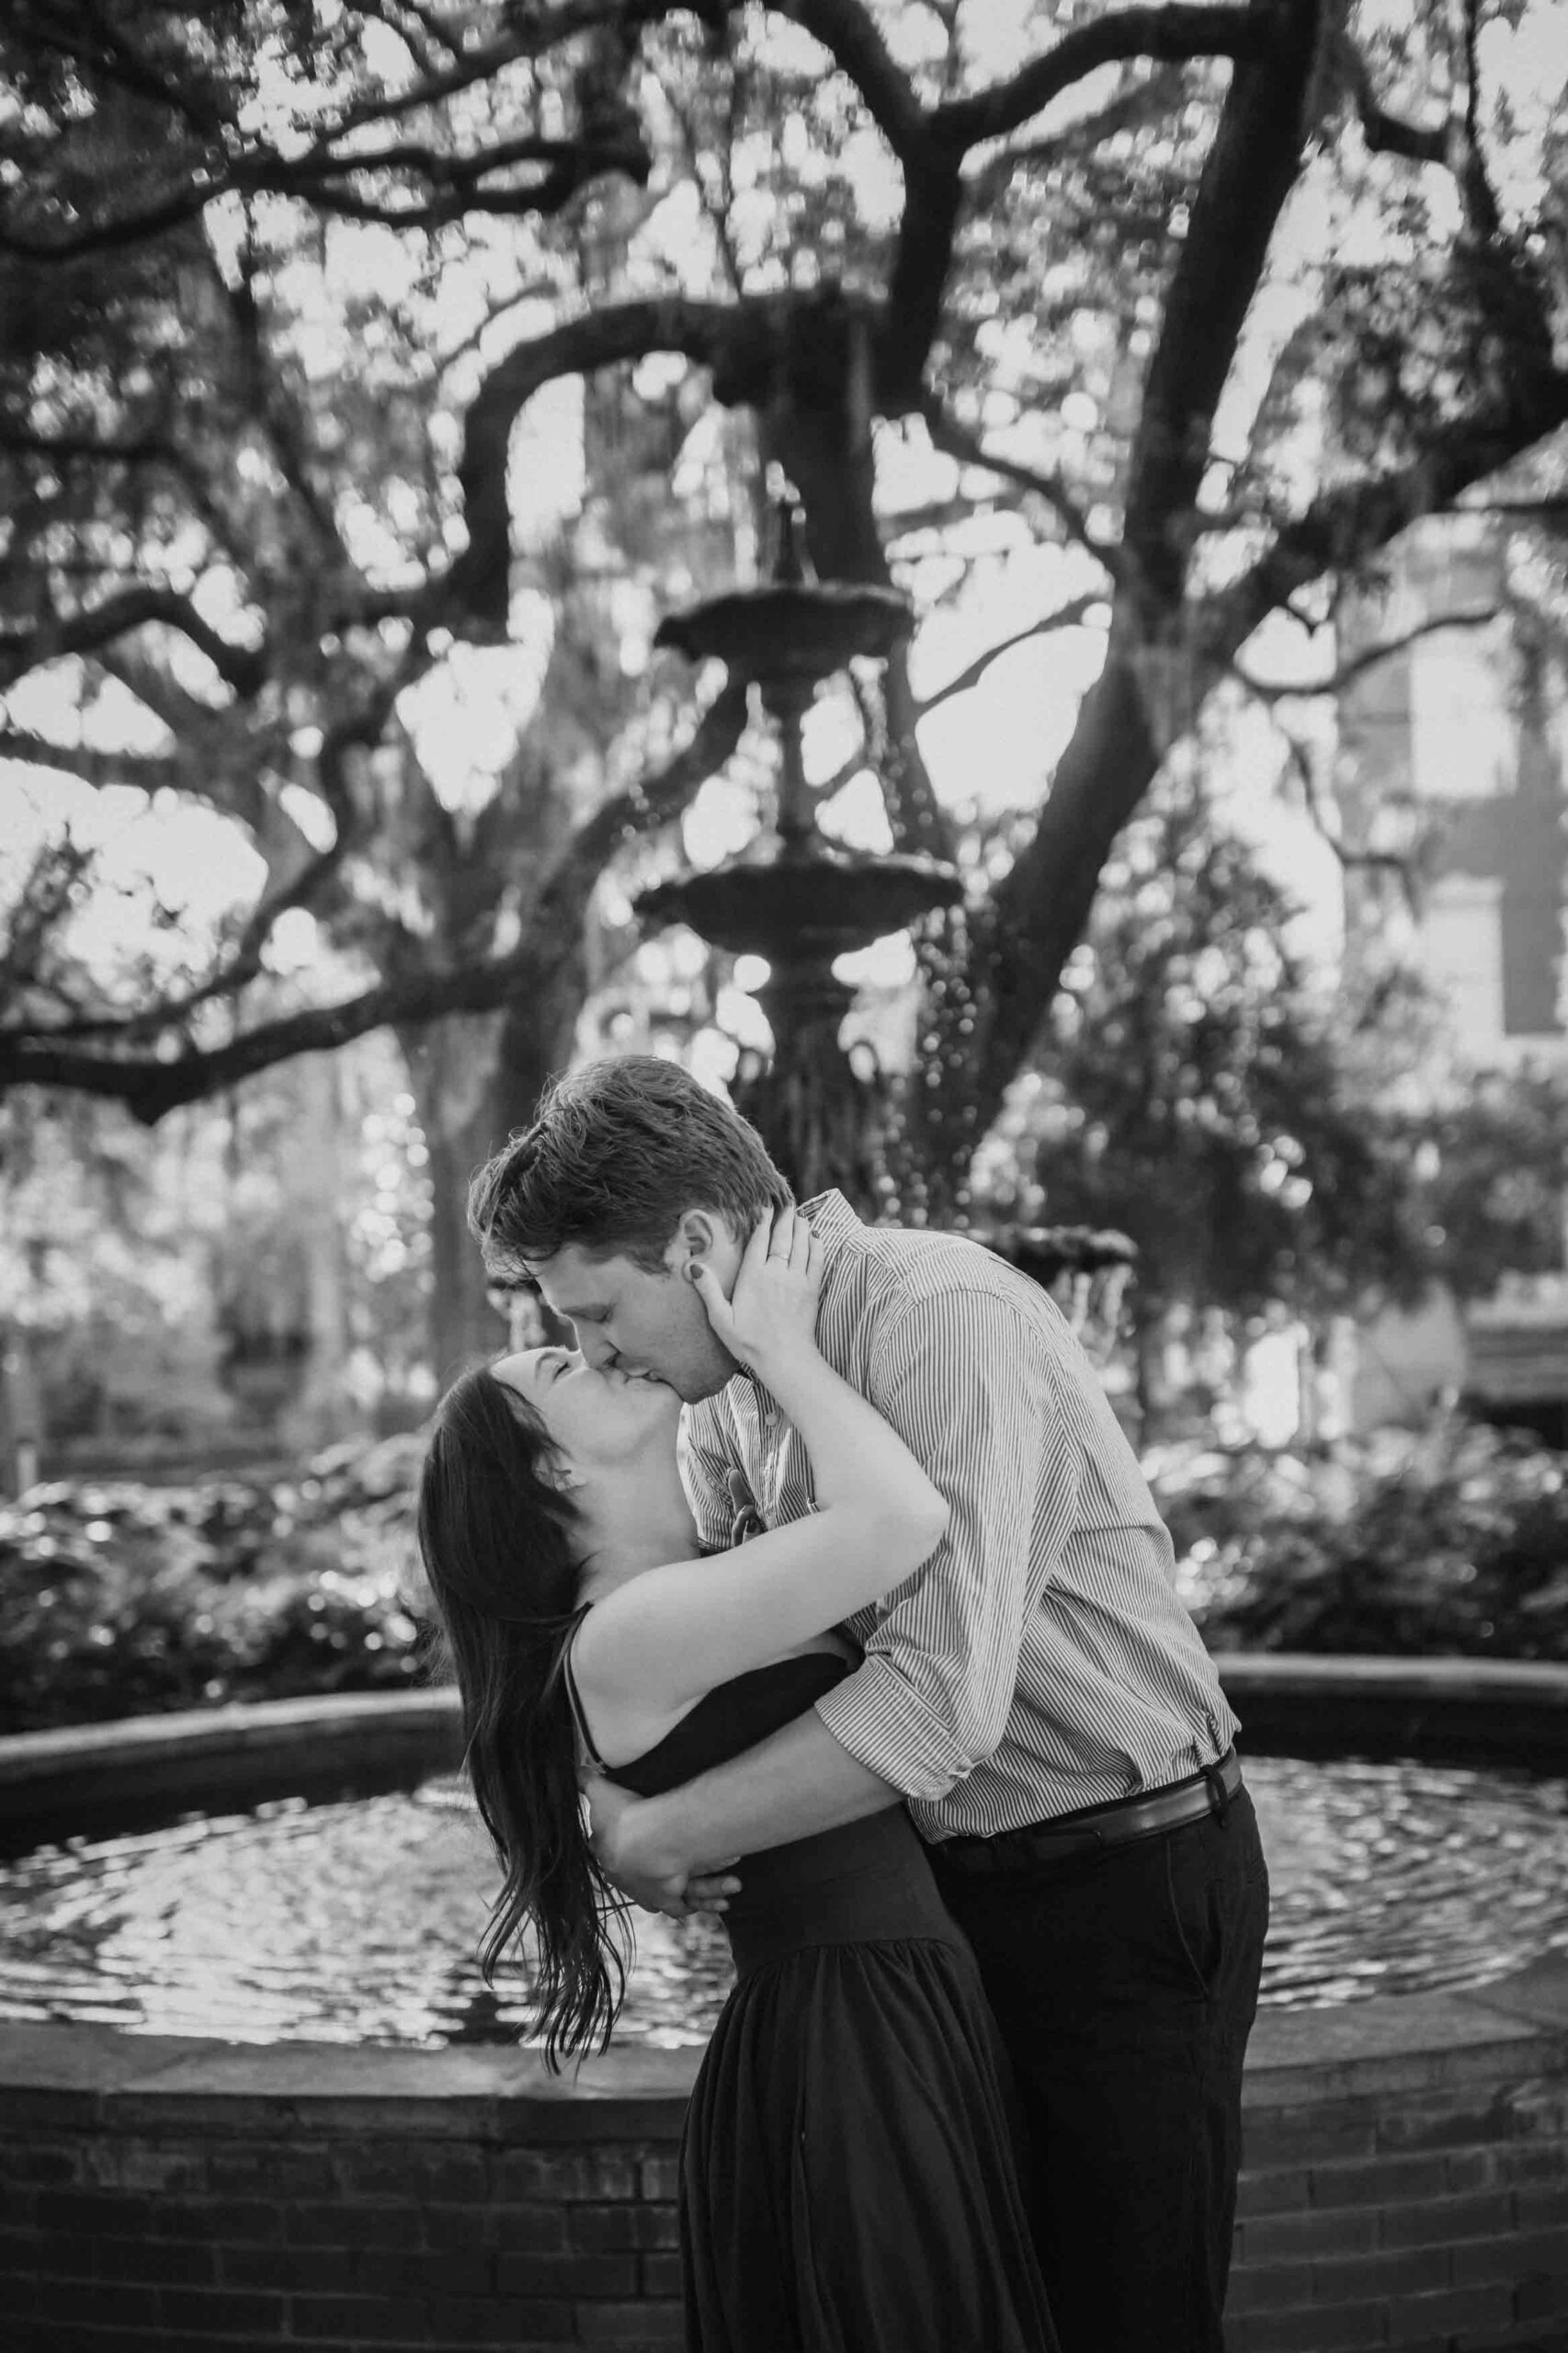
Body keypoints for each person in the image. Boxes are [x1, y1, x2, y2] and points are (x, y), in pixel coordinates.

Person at [467, 1053, 1270, 2353]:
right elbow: (689, 1645)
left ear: (694, 1247)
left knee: (1127, 2314)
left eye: (599, 1313)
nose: (595, 1349)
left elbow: (937, 1702)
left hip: (1117, 1885)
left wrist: (659, 1833)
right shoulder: (727, 1398)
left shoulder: (936, 1314)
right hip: (945, 1907)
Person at [418, 1205, 1058, 2353]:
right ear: (552, 1465)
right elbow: (900, 1519)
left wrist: (621, 1825)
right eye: (563, 1364)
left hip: (871, 2003)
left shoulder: (678, 1591)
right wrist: (779, 1348)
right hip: (847, 2029)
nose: (600, 1351)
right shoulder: (629, 1628)